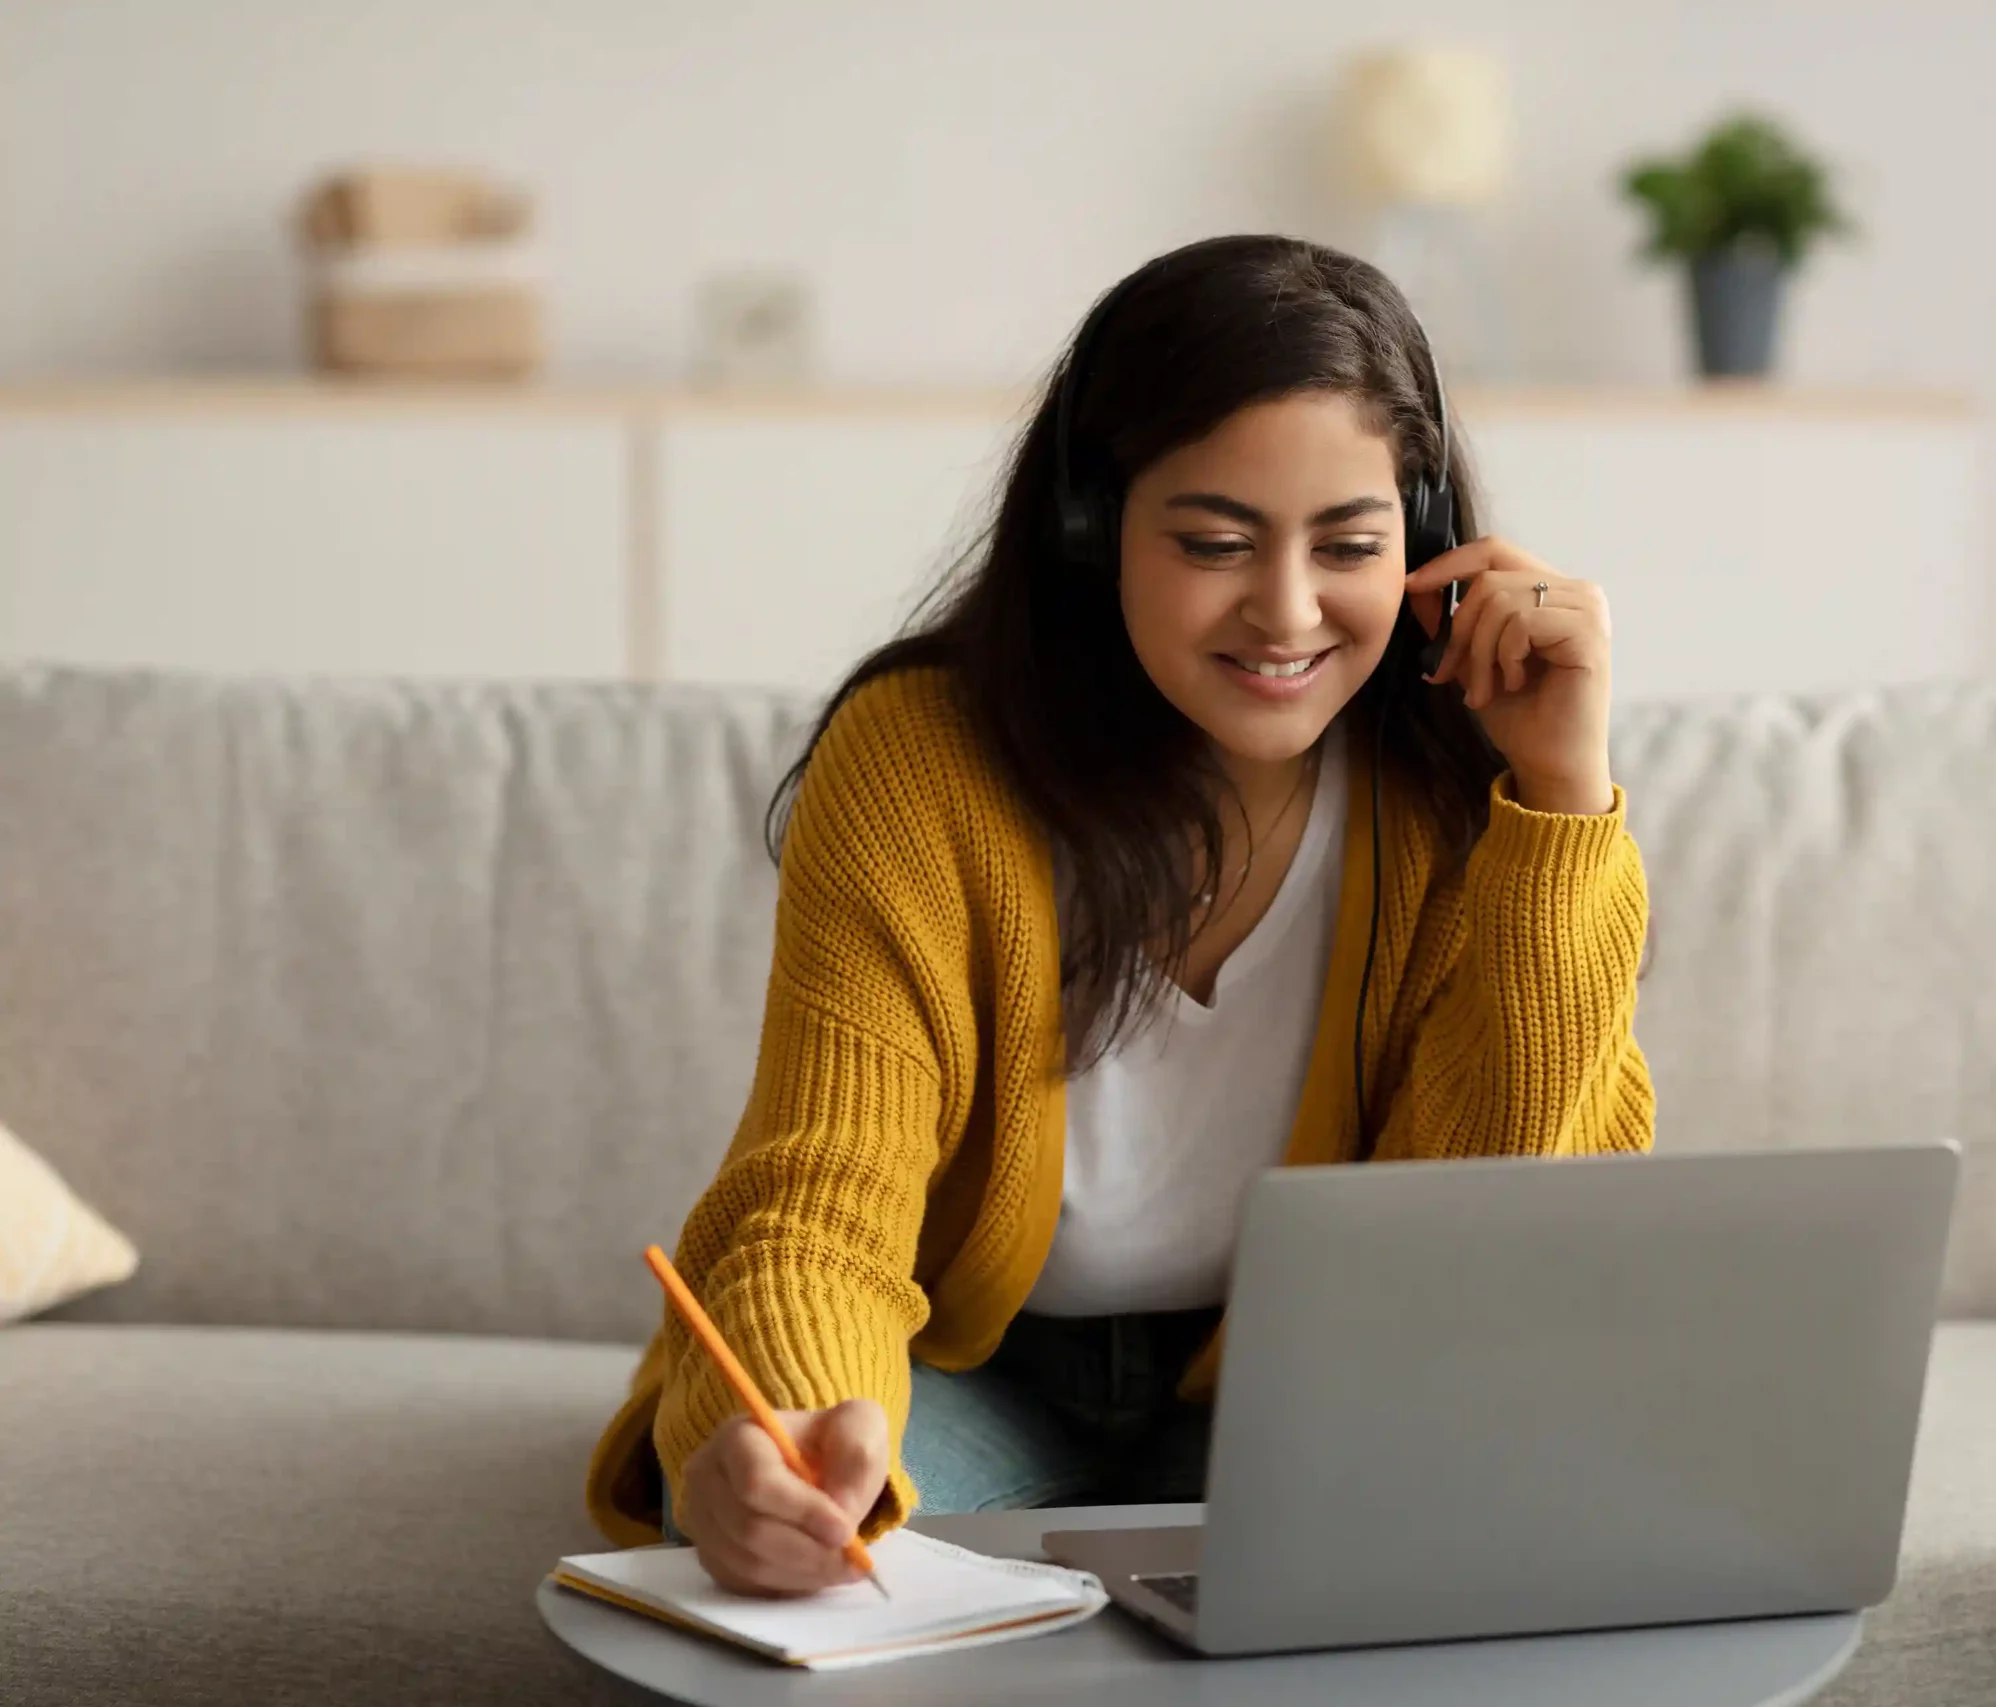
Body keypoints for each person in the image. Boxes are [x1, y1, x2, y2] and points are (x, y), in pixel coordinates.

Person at [583, 233, 1654, 1596]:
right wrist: (790, 1427)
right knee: (803, 1551)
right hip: (963, 1366)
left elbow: (1497, 1238)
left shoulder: (1466, 787)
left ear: (1425, 534)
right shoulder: (920, 762)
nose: (1285, 611)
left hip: (1292, 1394)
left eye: (1350, 545)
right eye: (1213, 542)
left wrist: (1559, 798)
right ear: (1095, 529)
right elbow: (822, 1195)